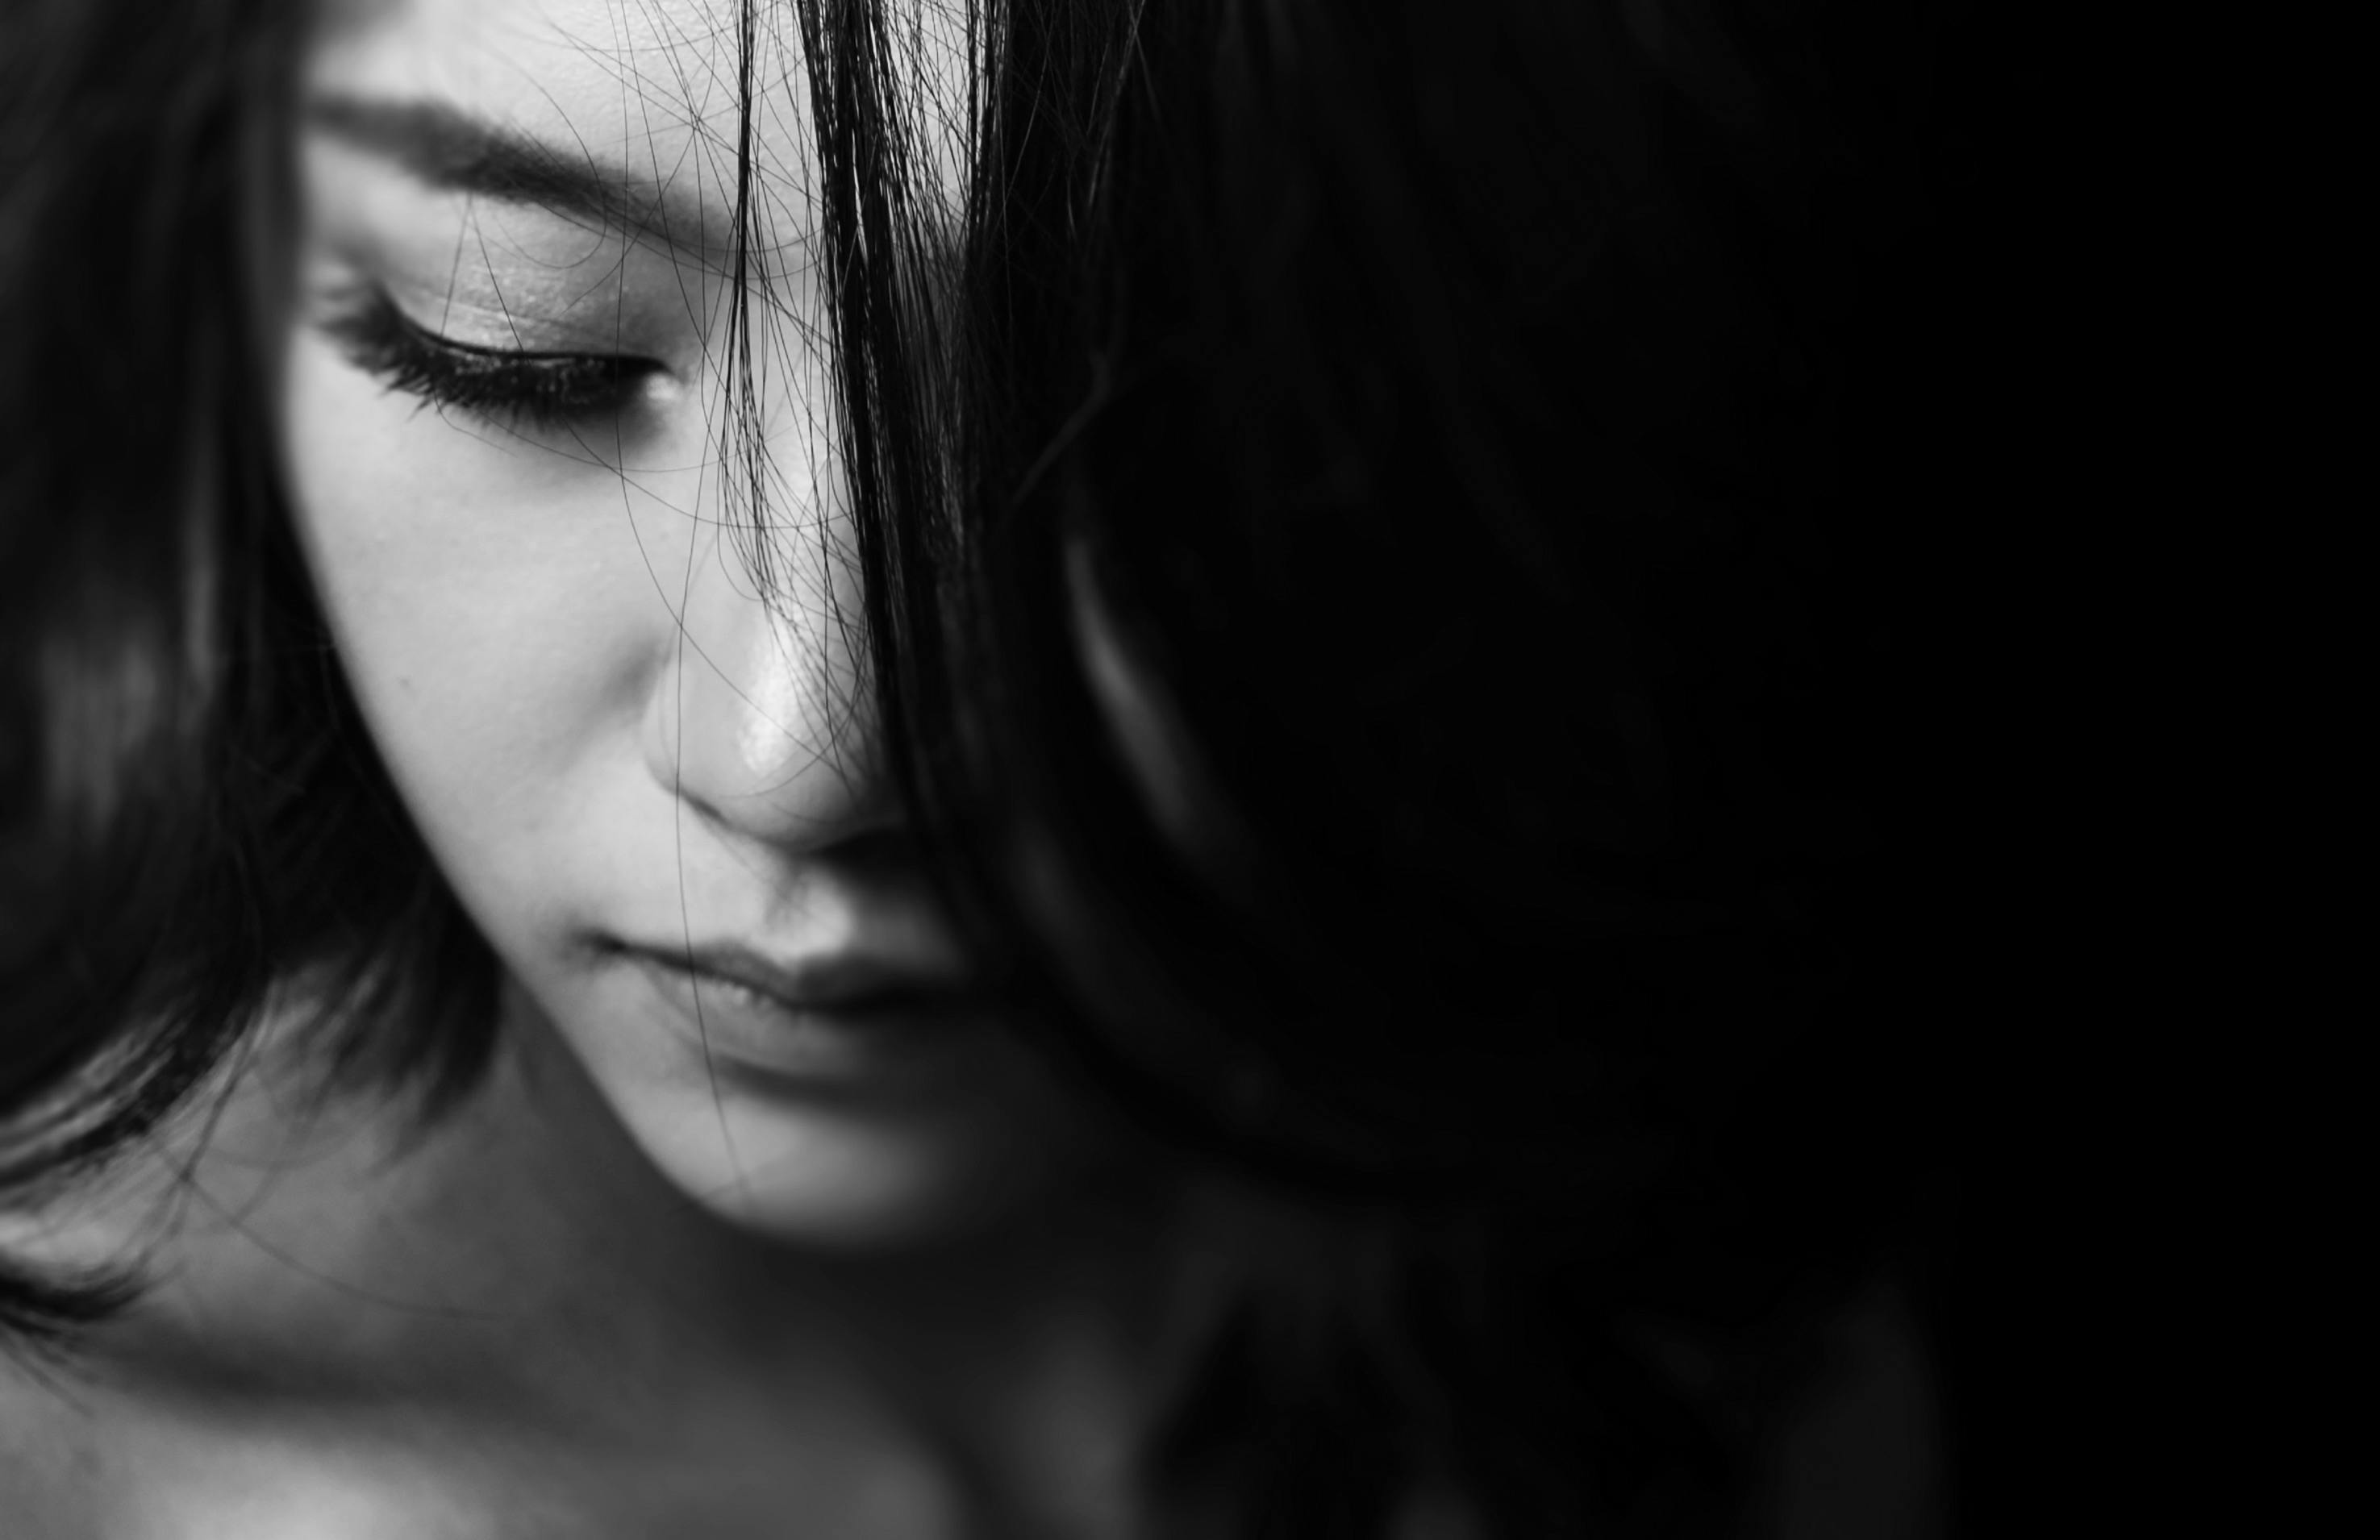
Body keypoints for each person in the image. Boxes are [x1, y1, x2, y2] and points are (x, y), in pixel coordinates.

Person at [2, 0, 1959, 1534]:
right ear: (221, 253)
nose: (803, 750)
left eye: (1129, 397)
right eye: (526, 348)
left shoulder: (1739, 1251)